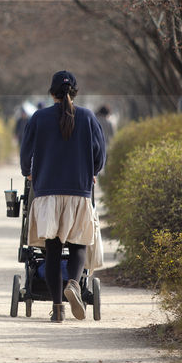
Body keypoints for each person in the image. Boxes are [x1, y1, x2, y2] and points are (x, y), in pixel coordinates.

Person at [20, 70, 107, 322]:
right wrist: (94, 172)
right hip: (78, 191)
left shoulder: (39, 118)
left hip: (47, 193)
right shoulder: (88, 117)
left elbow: (26, 154)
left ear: (51, 93)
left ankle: (57, 308)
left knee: (53, 249)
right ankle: (73, 284)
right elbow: (99, 153)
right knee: (79, 244)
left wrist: (28, 172)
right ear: (75, 92)